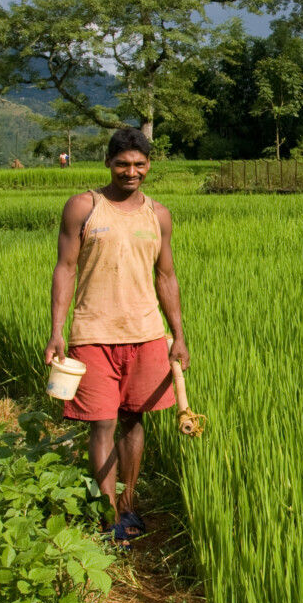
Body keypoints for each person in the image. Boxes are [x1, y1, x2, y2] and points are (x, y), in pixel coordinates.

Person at [44, 126, 190, 545]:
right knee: (102, 422)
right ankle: (107, 515)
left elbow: (166, 276)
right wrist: (57, 331)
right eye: (123, 163)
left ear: (149, 166)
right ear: (108, 162)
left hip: (145, 334)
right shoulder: (83, 207)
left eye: (139, 164)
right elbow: (65, 269)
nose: (131, 171)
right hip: (92, 333)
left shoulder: (158, 215)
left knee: (133, 419)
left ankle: (129, 506)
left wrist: (177, 335)